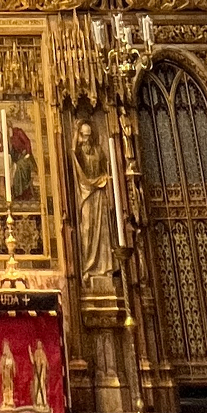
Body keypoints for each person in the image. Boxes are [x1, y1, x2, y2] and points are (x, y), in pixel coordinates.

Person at [72, 114, 118, 290]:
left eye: (89, 135)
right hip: (85, 194)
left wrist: (107, 180)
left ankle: (104, 267)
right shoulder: (78, 153)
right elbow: (73, 156)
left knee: (103, 231)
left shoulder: (98, 150)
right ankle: (89, 266)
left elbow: (108, 168)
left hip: (99, 193)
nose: (87, 139)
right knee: (87, 229)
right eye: (83, 135)